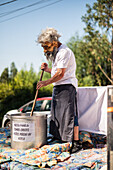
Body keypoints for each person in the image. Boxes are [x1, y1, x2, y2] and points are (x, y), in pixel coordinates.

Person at [37, 27, 82, 153]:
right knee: (57, 114)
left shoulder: (64, 52)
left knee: (69, 115)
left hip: (67, 86)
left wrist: (45, 82)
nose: (45, 50)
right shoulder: (57, 54)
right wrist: (47, 71)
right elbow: (57, 72)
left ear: (55, 42)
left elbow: (61, 74)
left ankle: (76, 143)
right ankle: (58, 139)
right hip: (58, 86)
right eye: (43, 47)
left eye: (47, 47)